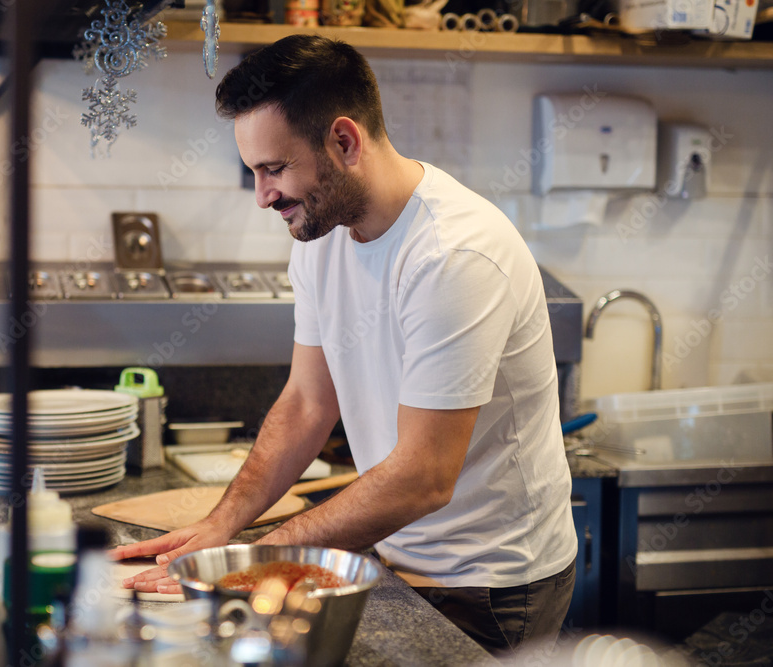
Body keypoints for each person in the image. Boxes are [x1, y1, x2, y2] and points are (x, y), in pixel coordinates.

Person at [113, 34, 577, 657]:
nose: (263, 195)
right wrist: (221, 528)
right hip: (395, 552)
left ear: (345, 141)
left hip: (491, 583)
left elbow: (424, 477)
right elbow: (307, 403)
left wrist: (254, 561)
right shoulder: (322, 235)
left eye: (274, 168)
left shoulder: (454, 254)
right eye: (254, 171)